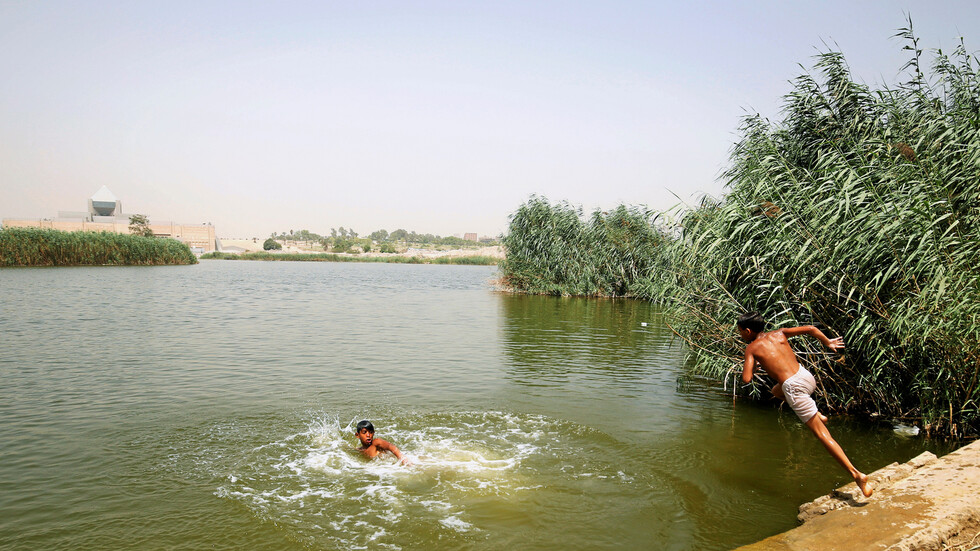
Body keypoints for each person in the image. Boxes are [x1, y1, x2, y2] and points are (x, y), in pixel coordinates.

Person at [737, 311, 873, 497]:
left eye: (740, 332)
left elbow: (746, 379)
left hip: (794, 387)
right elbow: (810, 328)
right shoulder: (780, 333)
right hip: (806, 377)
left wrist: (752, 365)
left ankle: (857, 475)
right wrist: (828, 342)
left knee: (822, 435)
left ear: (748, 331)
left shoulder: (751, 348)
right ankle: (817, 413)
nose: (740, 335)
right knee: (776, 391)